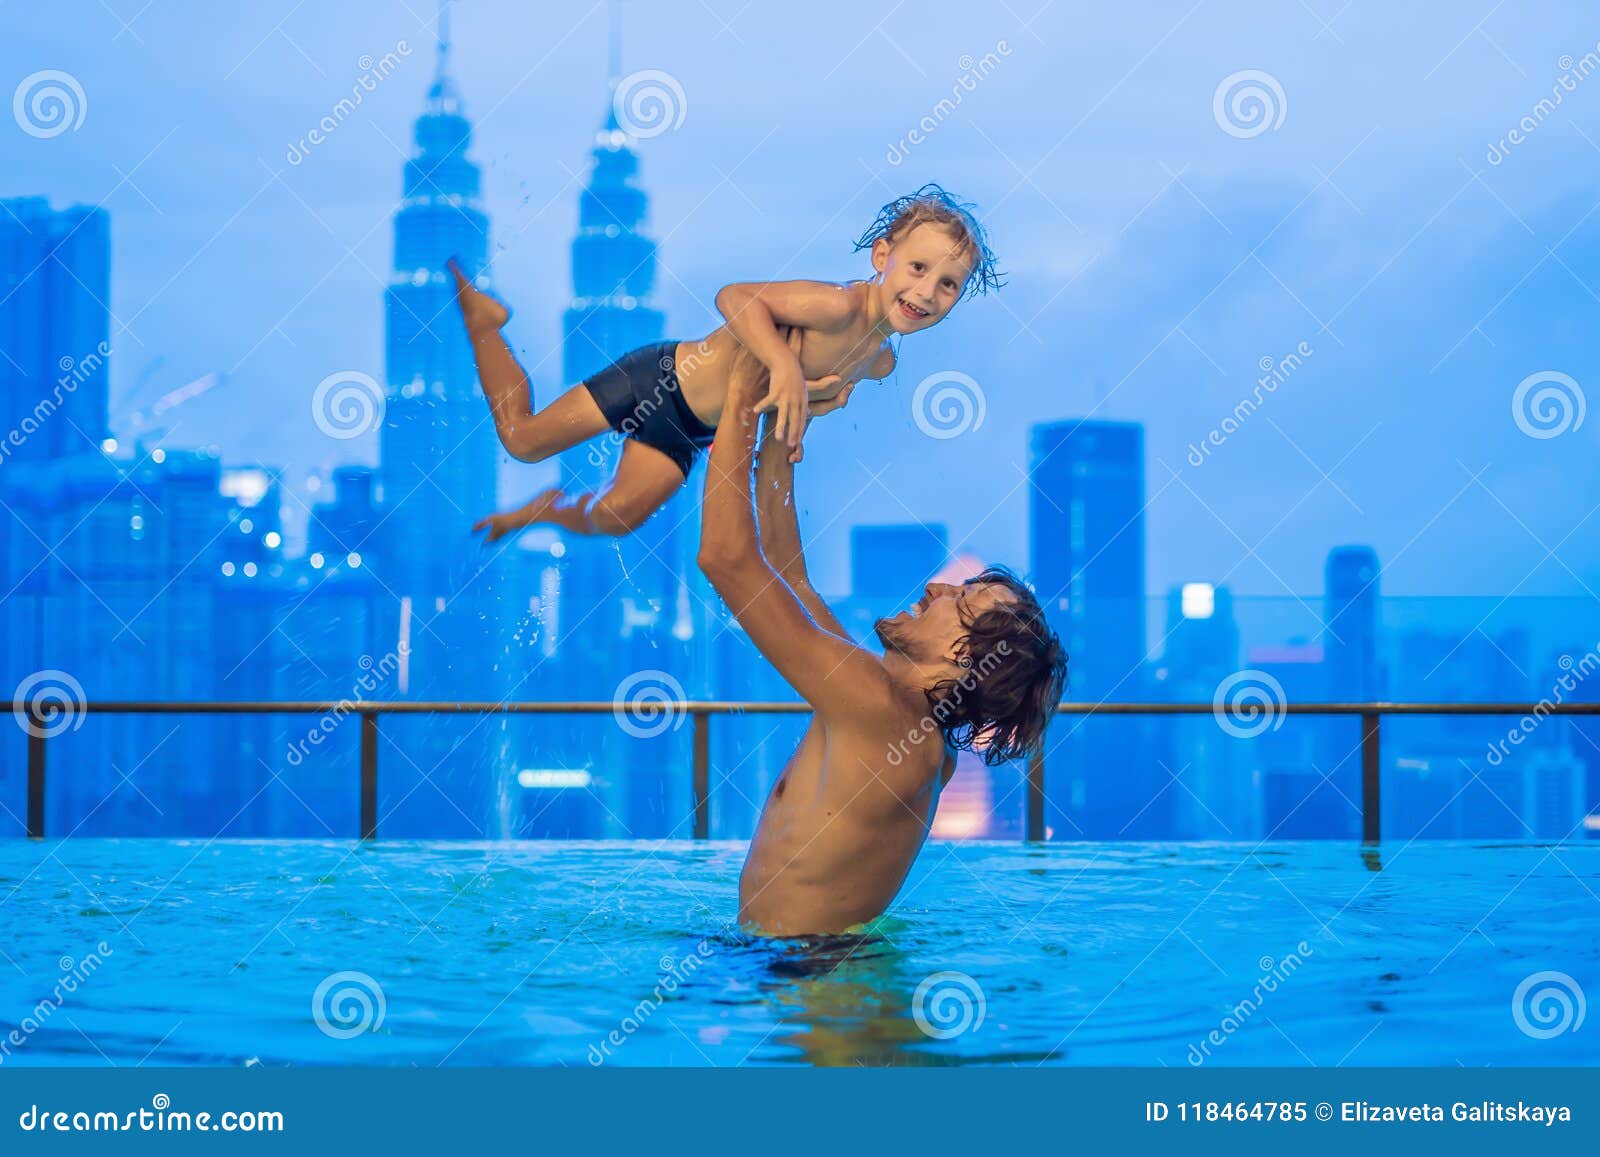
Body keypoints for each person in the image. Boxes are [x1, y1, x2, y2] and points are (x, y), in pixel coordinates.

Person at [698, 347, 1068, 937]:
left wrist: (741, 391)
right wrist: (782, 425)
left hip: (808, 981)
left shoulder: (878, 711)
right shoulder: (897, 717)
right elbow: (789, 575)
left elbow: (725, 560)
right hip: (816, 970)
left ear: (961, 660)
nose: (935, 587)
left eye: (960, 601)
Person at [454, 183, 1003, 542]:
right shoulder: (836, 304)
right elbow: (735, 297)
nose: (926, 291)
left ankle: (543, 510)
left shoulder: (878, 361)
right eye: (917, 267)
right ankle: (485, 324)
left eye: (947, 284)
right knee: (522, 441)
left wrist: (808, 407)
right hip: (663, 379)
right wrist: (786, 370)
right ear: (883, 258)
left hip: (691, 429)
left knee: (614, 518)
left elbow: (805, 401)